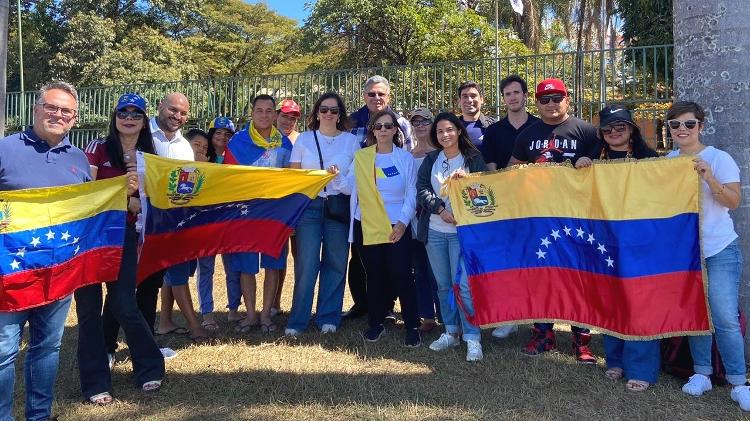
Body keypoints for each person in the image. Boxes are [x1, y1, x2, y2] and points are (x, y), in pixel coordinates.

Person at [0, 81, 92, 421]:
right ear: (36, 109)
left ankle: (39, 414)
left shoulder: (78, 159)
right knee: (4, 350)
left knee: (47, 347)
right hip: (10, 270)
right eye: (51, 107)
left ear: (75, 118)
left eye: (65, 111)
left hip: (59, 272)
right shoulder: (6, 149)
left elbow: (88, 209)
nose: (57, 115)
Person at [77, 93, 165, 405]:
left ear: (144, 122)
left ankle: (151, 366)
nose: (129, 118)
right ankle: (95, 382)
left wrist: (137, 201)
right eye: (123, 112)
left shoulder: (151, 156)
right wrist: (123, 196)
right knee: (88, 310)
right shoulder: (96, 148)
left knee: (125, 303)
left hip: (124, 235)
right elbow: (86, 192)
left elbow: (153, 202)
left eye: (136, 114)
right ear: (114, 117)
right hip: (87, 238)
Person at [664, 101, 748, 411]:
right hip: (686, 253)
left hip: (720, 248)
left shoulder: (719, 158)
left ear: (701, 126)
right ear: (669, 130)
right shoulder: (668, 161)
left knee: (724, 317)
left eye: (688, 124)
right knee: (696, 315)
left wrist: (709, 177)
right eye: (675, 125)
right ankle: (702, 373)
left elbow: (734, 201)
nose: (682, 130)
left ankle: (739, 382)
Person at [509, 78, 599, 364]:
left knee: (578, 278)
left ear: (567, 99)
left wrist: (588, 165)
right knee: (542, 277)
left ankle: (581, 340)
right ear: (536, 102)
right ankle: (542, 335)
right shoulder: (527, 134)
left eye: (556, 97)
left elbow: (604, 172)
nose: (550, 104)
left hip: (577, 216)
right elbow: (511, 171)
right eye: (544, 99)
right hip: (540, 217)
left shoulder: (585, 130)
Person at [575, 105, 659, 392]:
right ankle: (616, 360)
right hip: (606, 242)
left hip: (641, 242)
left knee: (641, 303)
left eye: (620, 127)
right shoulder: (593, 160)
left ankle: (641, 368)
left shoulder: (651, 161)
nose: (613, 133)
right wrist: (579, 166)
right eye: (607, 129)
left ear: (632, 129)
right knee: (611, 299)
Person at [342, 109, 420, 346]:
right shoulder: (362, 157)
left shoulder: (404, 158)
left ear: (396, 130)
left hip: (397, 225)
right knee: (374, 276)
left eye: (388, 126)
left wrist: (402, 223)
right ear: (372, 131)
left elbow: (412, 193)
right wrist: (333, 175)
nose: (383, 130)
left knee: (402, 275)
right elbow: (346, 186)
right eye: (378, 126)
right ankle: (375, 323)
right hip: (367, 224)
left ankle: (412, 325)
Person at [285, 93, 359, 336]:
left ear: (340, 115)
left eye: (334, 110)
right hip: (310, 207)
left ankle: (328, 316)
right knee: (307, 264)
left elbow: (357, 179)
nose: (329, 114)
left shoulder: (350, 141)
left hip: (339, 206)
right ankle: (298, 319)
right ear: (317, 113)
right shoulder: (304, 140)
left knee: (336, 263)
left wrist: (337, 177)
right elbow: (294, 180)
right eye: (324, 109)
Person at [416, 112, 488, 362]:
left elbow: (483, 195)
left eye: (449, 130)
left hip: (463, 233)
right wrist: (440, 209)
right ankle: (450, 332)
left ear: (458, 131)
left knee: (465, 287)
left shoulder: (473, 159)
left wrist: (467, 182)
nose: (444, 135)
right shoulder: (432, 159)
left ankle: (472, 337)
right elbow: (422, 190)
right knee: (443, 285)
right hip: (435, 232)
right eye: (439, 132)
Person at [345, 75, 413, 321]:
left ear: (389, 96)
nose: (376, 98)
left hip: (394, 203)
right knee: (359, 257)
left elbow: (407, 160)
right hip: (361, 203)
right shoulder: (350, 122)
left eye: (381, 94)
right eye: (371, 94)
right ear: (364, 96)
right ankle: (362, 304)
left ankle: (387, 306)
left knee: (394, 260)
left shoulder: (402, 123)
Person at [224, 95, 292, 333]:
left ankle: (266, 316)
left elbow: (291, 178)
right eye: (259, 110)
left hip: (274, 214)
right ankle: (250, 314)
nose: (264, 115)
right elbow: (227, 178)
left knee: (273, 264)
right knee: (246, 266)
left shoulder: (284, 143)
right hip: (245, 214)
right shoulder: (237, 142)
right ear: (252, 113)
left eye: (269, 111)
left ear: (275, 115)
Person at [150, 93, 210, 343]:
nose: (177, 116)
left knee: (174, 273)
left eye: (183, 113)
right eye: (173, 110)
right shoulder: (143, 134)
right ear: (160, 106)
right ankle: (196, 327)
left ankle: (164, 322)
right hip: (144, 218)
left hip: (174, 219)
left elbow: (187, 184)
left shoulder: (184, 146)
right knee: (170, 275)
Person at [195, 118, 244, 330]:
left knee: (233, 267)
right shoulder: (199, 156)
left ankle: (233, 310)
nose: (222, 138)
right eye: (218, 133)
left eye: (227, 134)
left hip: (229, 219)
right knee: (206, 268)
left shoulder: (235, 156)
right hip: (205, 220)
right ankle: (207, 314)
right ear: (211, 133)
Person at [409, 107, 440, 333]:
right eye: (416, 122)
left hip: (437, 219)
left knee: (438, 272)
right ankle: (427, 316)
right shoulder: (407, 155)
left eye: (425, 121)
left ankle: (446, 315)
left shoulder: (440, 154)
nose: (420, 126)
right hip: (413, 220)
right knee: (419, 269)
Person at [274, 99, 302, 316]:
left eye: (293, 118)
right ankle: (274, 303)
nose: (288, 121)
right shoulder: (270, 140)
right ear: (276, 116)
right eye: (284, 116)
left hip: (299, 205)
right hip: (277, 207)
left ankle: (298, 304)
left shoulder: (302, 140)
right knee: (278, 255)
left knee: (301, 257)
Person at [481, 74, 540, 171]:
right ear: (503, 99)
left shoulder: (539, 127)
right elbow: (491, 169)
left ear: (525, 95)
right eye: (508, 94)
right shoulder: (492, 131)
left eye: (516, 92)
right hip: (503, 185)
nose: (512, 98)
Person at [456, 81, 496, 149]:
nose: (469, 100)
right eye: (465, 96)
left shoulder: (494, 125)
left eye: (473, 96)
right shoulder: (452, 127)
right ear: (459, 101)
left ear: (481, 99)